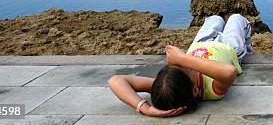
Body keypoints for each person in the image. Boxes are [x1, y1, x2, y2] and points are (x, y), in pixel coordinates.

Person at [108, 14, 253, 117]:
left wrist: (144, 108)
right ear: (195, 90)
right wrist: (183, 57)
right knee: (236, 18)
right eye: (186, 67)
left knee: (214, 18)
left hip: (201, 43)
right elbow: (229, 72)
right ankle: (247, 47)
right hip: (228, 48)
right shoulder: (212, 90)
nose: (180, 63)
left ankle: (217, 19)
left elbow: (115, 80)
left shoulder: (170, 84)